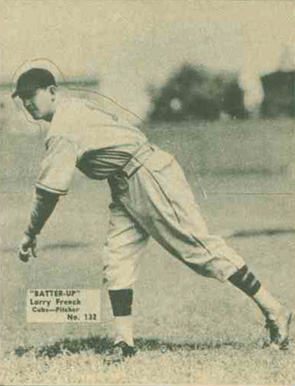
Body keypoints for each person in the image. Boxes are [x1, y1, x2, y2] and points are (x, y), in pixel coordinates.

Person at [13, 68, 292, 363]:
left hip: (147, 174)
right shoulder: (74, 107)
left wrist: (31, 233)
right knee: (116, 259)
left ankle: (275, 310)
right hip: (124, 181)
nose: (28, 103)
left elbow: (48, 192)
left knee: (199, 250)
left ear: (52, 91)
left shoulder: (63, 129)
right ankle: (124, 342)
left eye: (33, 95)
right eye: (23, 99)